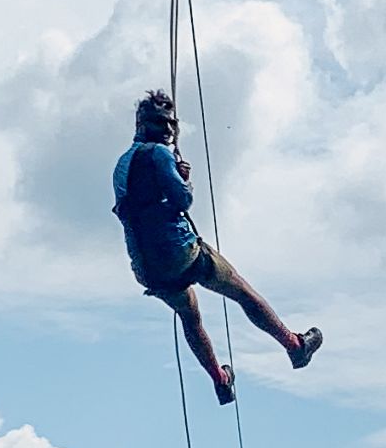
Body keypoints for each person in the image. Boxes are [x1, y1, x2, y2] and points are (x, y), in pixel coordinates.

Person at [111, 90, 320, 405]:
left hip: (146, 267)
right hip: (180, 250)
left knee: (189, 315)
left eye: (171, 124)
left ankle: (221, 380)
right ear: (141, 123)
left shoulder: (122, 165)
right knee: (240, 289)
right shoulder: (159, 154)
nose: (167, 131)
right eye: (160, 123)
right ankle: (294, 346)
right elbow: (183, 201)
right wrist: (184, 181)